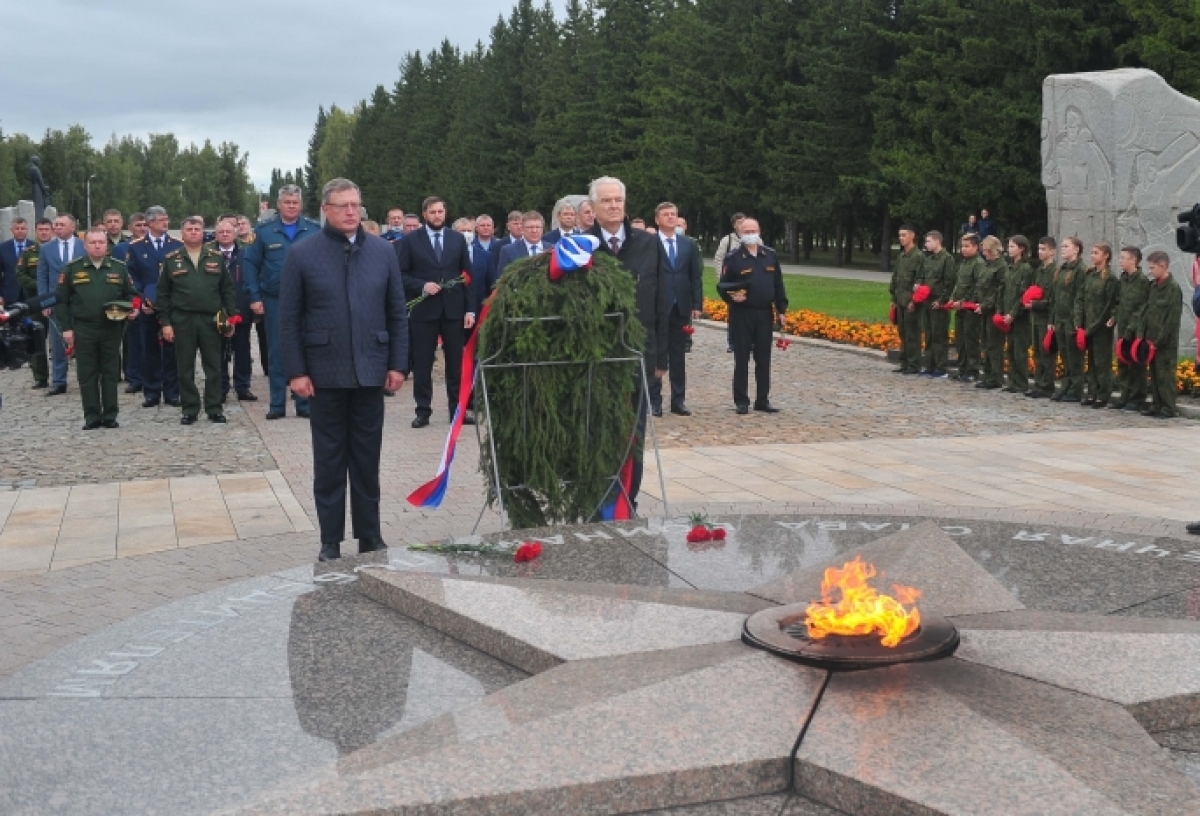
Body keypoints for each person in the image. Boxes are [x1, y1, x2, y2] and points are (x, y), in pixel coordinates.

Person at [282, 179, 408, 561]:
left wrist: (398, 364)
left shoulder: (383, 253)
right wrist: (296, 372)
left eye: (356, 204)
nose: (351, 212)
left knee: (367, 460)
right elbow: (288, 320)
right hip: (324, 375)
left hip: (371, 370)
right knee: (330, 461)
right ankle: (330, 540)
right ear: (326, 209)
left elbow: (397, 312)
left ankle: (370, 535)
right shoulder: (303, 254)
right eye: (343, 206)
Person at [587, 175, 670, 510]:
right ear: (592, 208)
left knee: (634, 431)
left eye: (618, 200)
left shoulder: (648, 244)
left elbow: (663, 301)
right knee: (597, 428)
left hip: (640, 354)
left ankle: (627, 501)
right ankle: (598, 498)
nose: (613, 205)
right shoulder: (581, 245)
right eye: (606, 200)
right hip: (595, 358)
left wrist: (662, 357)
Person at [397, 196, 476, 429]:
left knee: (455, 364)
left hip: (453, 311)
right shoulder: (410, 241)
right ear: (424, 214)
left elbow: (467, 276)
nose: (437, 216)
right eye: (433, 212)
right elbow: (400, 275)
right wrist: (422, 285)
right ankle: (423, 410)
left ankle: (457, 410)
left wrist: (470, 309)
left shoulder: (457, 239)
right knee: (422, 363)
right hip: (424, 311)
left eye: (441, 211)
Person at [244, 184, 321, 420]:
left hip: (308, 302)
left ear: (301, 205)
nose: (291, 206)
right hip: (275, 299)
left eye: (295, 202)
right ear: (278, 205)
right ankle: (277, 404)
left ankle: (304, 403)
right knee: (277, 351)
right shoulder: (264, 231)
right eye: (287, 202)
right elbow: (250, 264)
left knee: (307, 349)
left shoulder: (314, 230)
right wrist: (255, 297)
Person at [53, 227, 138, 430]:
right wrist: (66, 328)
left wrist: (132, 309)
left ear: (106, 245)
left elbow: (131, 294)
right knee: (87, 373)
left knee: (110, 372)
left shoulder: (118, 268)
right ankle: (91, 415)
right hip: (84, 328)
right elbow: (61, 301)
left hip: (112, 327)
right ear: (85, 245)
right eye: (93, 242)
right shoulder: (72, 269)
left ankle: (110, 414)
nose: (97, 246)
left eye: (101, 242)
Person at [156, 216, 238, 425]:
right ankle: (190, 408)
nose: (193, 232)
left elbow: (227, 290)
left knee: (214, 366)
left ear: (203, 233)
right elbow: (163, 294)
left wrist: (230, 318)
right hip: (183, 320)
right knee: (184, 367)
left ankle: (214, 408)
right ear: (182, 234)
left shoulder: (216, 257)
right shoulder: (171, 259)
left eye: (197, 229)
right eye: (189, 229)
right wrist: (165, 323)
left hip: (211, 320)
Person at [719, 217, 786, 414]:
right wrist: (731, 297)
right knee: (741, 358)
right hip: (742, 313)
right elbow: (723, 285)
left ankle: (762, 400)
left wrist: (781, 310)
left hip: (764, 313)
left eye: (753, 230)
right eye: (746, 231)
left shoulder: (770, 255)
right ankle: (741, 400)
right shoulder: (733, 258)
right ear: (740, 233)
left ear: (759, 231)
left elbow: (778, 285)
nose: (750, 234)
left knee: (763, 358)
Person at [651, 202, 702, 416]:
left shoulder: (687, 245)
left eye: (674, 214)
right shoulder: (650, 243)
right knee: (657, 353)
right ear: (657, 219)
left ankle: (678, 400)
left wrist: (696, 304)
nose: (671, 217)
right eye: (666, 214)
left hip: (680, 305)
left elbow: (695, 276)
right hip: (657, 306)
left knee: (678, 355)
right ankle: (655, 401)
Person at [37, 214, 86, 396]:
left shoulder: (83, 246)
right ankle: (59, 381)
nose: (57, 228)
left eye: (61, 225)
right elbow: (42, 276)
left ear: (72, 227)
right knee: (57, 343)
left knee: (83, 342)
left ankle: (85, 379)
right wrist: (44, 301)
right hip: (56, 301)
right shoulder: (46, 249)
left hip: (81, 301)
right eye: (55, 225)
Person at [212, 215, 257, 402]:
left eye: (228, 231)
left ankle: (242, 386)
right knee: (218, 351)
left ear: (235, 233)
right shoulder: (209, 255)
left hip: (241, 310)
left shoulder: (247, 254)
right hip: (216, 311)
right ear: (215, 235)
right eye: (221, 232)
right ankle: (221, 387)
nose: (224, 235)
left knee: (242, 350)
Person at [1074, 242, 1119, 407]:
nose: (1092, 255)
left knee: (1101, 362)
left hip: (1101, 328)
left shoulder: (1110, 278)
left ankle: (1102, 394)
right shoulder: (1089, 275)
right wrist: (1079, 324)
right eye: (1092, 252)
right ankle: (1092, 393)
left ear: (1106, 255)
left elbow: (1109, 306)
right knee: (1091, 362)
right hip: (1086, 327)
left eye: (1096, 252)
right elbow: (1080, 299)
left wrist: (1092, 327)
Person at [1138, 251, 1182, 419]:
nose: (1150, 271)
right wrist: (1144, 336)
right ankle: (1157, 404)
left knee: (1165, 375)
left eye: (1152, 267)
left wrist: (1159, 340)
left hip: (1165, 342)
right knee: (1155, 374)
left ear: (1163, 266)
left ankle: (1168, 407)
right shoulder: (1153, 286)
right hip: (1151, 339)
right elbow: (1146, 311)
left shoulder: (1173, 288)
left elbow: (1172, 319)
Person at [1111, 246, 1151, 411]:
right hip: (1122, 326)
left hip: (1136, 330)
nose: (1120, 261)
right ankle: (1124, 395)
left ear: (1133, 260)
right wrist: (1114, 316)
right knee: (1123, 362)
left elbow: (1141, 308)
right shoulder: (1123, 280)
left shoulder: (1141, 281)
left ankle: (1137, 398)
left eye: (1123, 257)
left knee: (1136, 365)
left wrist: (1131, 329)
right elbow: (1118, 302)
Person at [1048, 237, 1087, 402]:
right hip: (1060, 319)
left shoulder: (1081, 270)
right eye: (1062, 246)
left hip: (1072, 319)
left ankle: (1075, 390)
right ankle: (1066, 386)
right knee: (1064, 355)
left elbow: (1080, 297)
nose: (1062, 249)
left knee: (1074, 358)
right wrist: (1052, 319)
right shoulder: (1061, 269)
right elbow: (1054, 297)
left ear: (1076, 249)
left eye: (1066, 246)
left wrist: (1077, 322)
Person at [15, 219, 52, 388]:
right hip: (35, 301)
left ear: (51, 231)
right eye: (41, 229)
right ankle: (40, 377)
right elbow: (21, 275)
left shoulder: (56, 250)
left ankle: (62, 375)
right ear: (36, 232)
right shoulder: (28, 253)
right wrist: (40, 286)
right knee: (37, 338)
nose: (44, 232)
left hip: (55, 299)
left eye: (47, 229)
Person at [999, 235, 1034, 393]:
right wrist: (1002, 312)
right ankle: (1012, 381)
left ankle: (1021, 383)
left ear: (1022, 249)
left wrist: (1013, 314)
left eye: (1012, 246)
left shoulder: (1026, 269)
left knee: (1020, 351)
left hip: (1019, 318)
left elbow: (1023, 295)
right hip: (1007, 316)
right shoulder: (1009, 268)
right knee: (1011, 349)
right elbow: (1003, 290)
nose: (1009, 249)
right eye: (1009, 246)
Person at [1026, 237, 1058, 398]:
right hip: (1036, 317)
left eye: (1044, 249)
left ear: (1052, 251)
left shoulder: (1054, 271)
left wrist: (1036, 305)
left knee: (1046, 353)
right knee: (1037, 352)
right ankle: (1039, 383)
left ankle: (1047, 385)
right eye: (1039, 249)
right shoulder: (1039, 271)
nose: (1040, 252)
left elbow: (1053, 300)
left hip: (1046, 317)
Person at [919, 230, 955, 377]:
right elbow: (923, 277)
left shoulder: (947, 259)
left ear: (937, 241)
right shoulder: (929, 259)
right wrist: (918, 286)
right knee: (929, 335)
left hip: (938, 302)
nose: (926, 244)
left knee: (939, 336)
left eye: (928, 241)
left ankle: (941, 368)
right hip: (927, 300)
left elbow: (949, 282)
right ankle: (929, 365)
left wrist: (941, 301)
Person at [975, 235, 1007, 390]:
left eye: (987, 250)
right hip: (983, 309)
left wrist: (986, 305)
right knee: (986, 344)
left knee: (994, 345)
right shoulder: (988, 265)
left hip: (993, 310)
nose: (984, 253)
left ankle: (995, 377)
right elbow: (981, 286)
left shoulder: (1001, 267)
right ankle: (987, 375)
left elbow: (998, 291)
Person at [890, 224, 924, 375]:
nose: (901, 238)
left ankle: (914, 364)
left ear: (912, 236)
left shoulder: (918, 256)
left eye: (904, 235)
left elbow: (920, 280)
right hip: (900, 299)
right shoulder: (902, 256)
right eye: (900, 235)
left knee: (912, 333)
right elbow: (896, 278)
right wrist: (893, 297)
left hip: (911, 301)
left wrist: (914, 301)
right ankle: (904, 362)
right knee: (903, 332)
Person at [714, 213, 745, 353]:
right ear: (734, 225)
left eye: (744, 222)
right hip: (732, 283)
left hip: (749, 283)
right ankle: (732, 342)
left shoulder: (756, 239)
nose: (742, 225)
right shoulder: (728, 240)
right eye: (739, 222)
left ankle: (749, 342)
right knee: (733, 314)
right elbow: (719, 259)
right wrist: (722, 280)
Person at [496, 211, 549, 276]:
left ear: (542, 229)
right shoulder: (508, 251)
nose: (534, 231)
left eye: (537, 227)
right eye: (530, 227)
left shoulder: (552, 249)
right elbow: (502, 280)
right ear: (523, 229)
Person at [0, 216, 31, 308]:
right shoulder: (2, 248)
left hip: (30, 294)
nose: (20, 231)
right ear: (11, 230)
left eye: (23, 228)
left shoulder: (35, 247)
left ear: (27, 230)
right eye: (17, 228)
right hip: (9, 294)